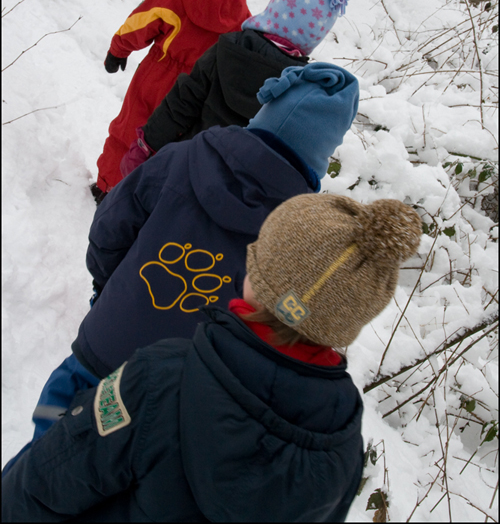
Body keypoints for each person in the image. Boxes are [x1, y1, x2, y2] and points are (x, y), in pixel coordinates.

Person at [2, 61, 359, 474]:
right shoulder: (297, 231)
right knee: (108, 474)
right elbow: (276, 328)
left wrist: (108, 285)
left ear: (263, 114)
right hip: (171, 393)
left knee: (45, 443)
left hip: (101, 346)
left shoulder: (184, 157)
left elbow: (110, 227)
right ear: (322, 153)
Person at [1, 192, 422, 522]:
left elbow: (47, 480)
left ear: (262, 281)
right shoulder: (343, 445)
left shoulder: (161, 378)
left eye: (258, 259)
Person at [120, 0, 352, 178]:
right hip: (230, 193)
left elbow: (182, 101)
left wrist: (146, 145)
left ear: (275, 7)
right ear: (315, 37)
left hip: (183, 164)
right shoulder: (298, 88)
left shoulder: (228, 47)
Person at [91, 0, 259, 203]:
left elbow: (139, 24)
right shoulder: (244, 21)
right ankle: (149, 202)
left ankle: (108, 186)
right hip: (194, 97)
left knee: (129, 133)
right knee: (169, 147)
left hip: (155, 80)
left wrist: (118, 50)